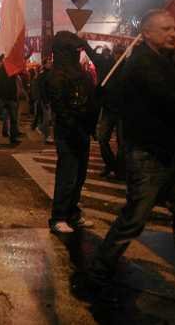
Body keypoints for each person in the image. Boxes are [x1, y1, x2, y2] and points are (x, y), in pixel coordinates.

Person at [87, 10, 175, 320]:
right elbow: (172, 98)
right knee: (133, 221)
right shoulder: (140, 65)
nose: (173, 33)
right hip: (147, 157)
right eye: (165, 29)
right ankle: (96, 275)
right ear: (147, 34)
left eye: (174, 28)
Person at [46, 31, 99, 234]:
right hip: (68, 132)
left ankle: (72, 213)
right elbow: (61, 107)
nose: (78, 54)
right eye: (74, 50)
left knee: (79, 176)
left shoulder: (80, 74)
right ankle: (59, 216)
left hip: (82, 130)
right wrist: (75, 126)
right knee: (68, 175)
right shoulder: (58, 76)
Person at [96, 43, 126, 180]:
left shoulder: (128, 68)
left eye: (121, 53)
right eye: (116, 53)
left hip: (122, 111)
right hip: (108, 109)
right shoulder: (108, 66)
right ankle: (112, 165)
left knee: (122, 143)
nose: (118, 56)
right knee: (102, 139)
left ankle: (119, 169)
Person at [0, 54, 22, 146]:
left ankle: (13, 138)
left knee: (13, 120)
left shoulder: (12, 72)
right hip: (2, 97)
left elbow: (20, 63)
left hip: (10, 98)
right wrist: (4, 55)